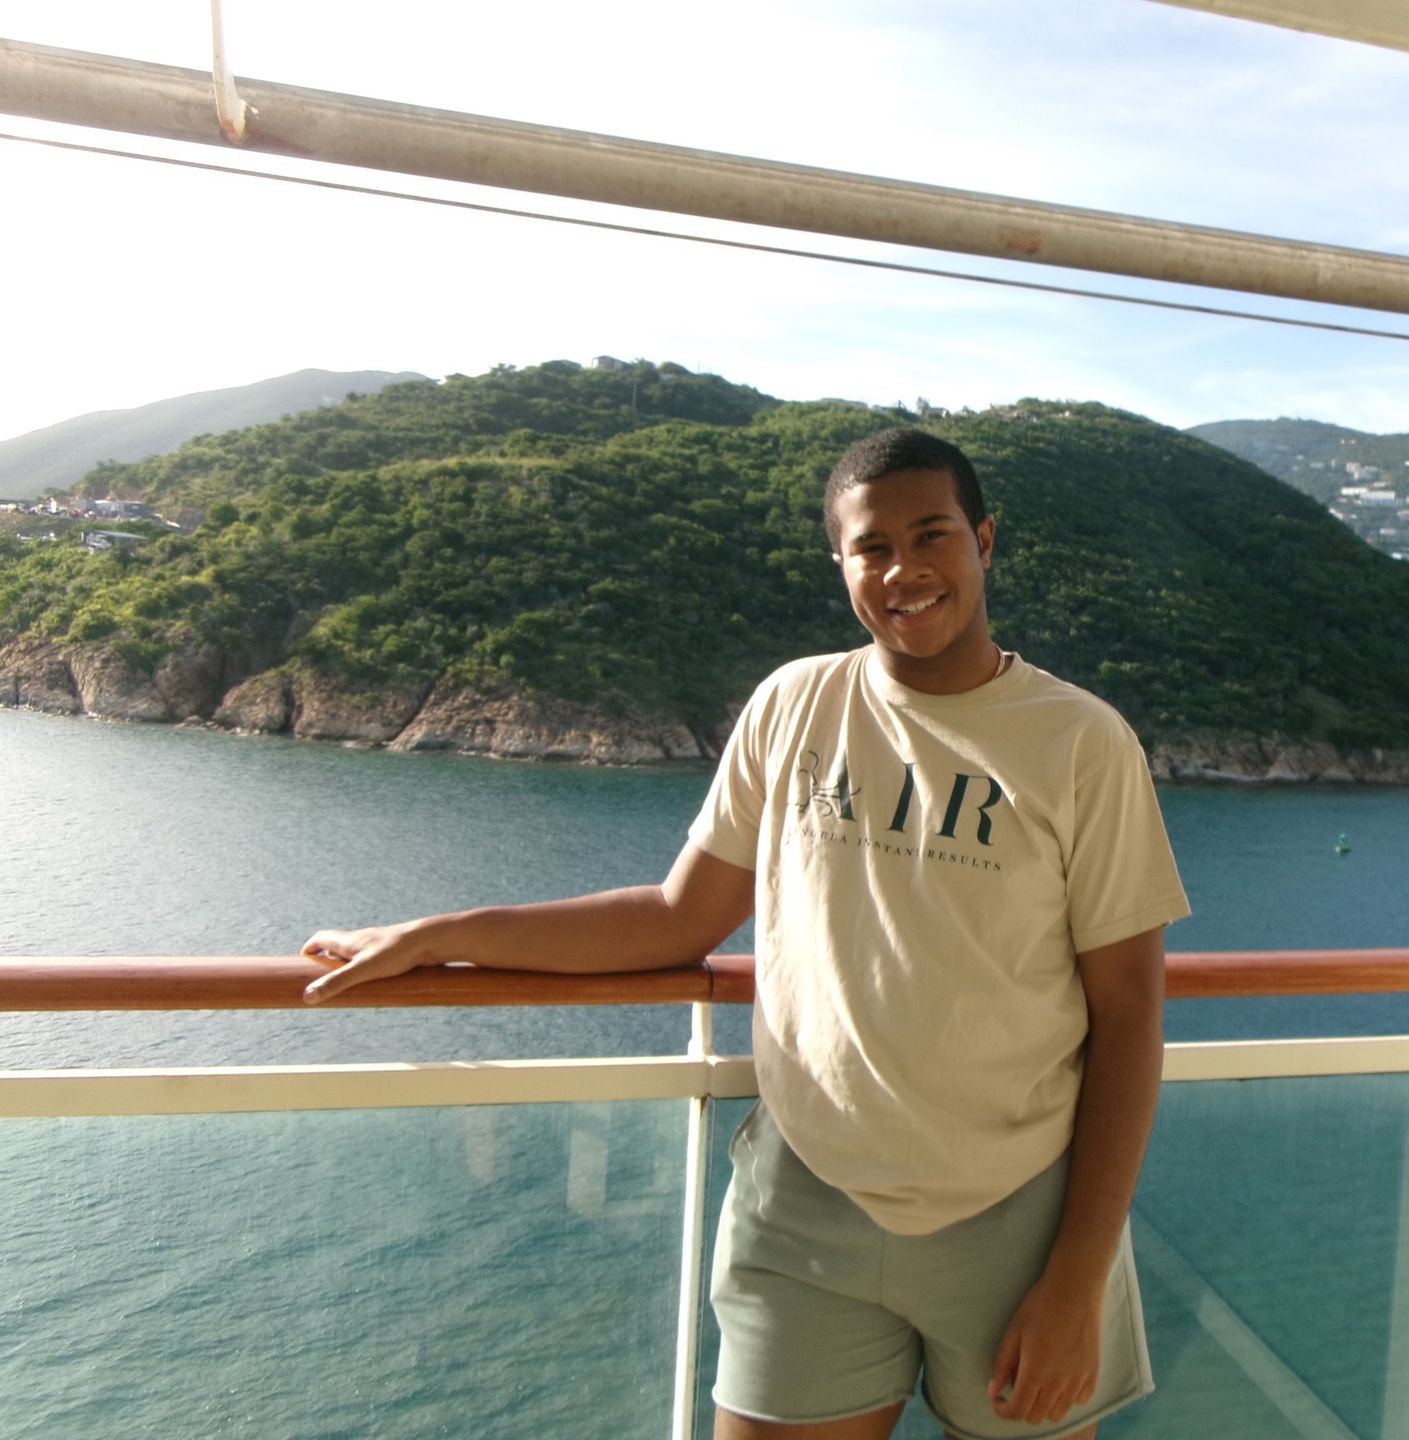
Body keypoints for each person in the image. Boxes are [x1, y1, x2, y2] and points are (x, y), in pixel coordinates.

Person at [302, 427, 1189, 1440]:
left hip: (1014, 1218)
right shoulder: (795, 704)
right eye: (872, 547)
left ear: (984, 541)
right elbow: (679, 916)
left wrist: (1075, 1283)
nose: (905, 569)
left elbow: (1127, 1014)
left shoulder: (1082, 741)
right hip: (804, 1203)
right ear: (842, 565)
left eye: (933, 534)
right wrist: (444, 935)